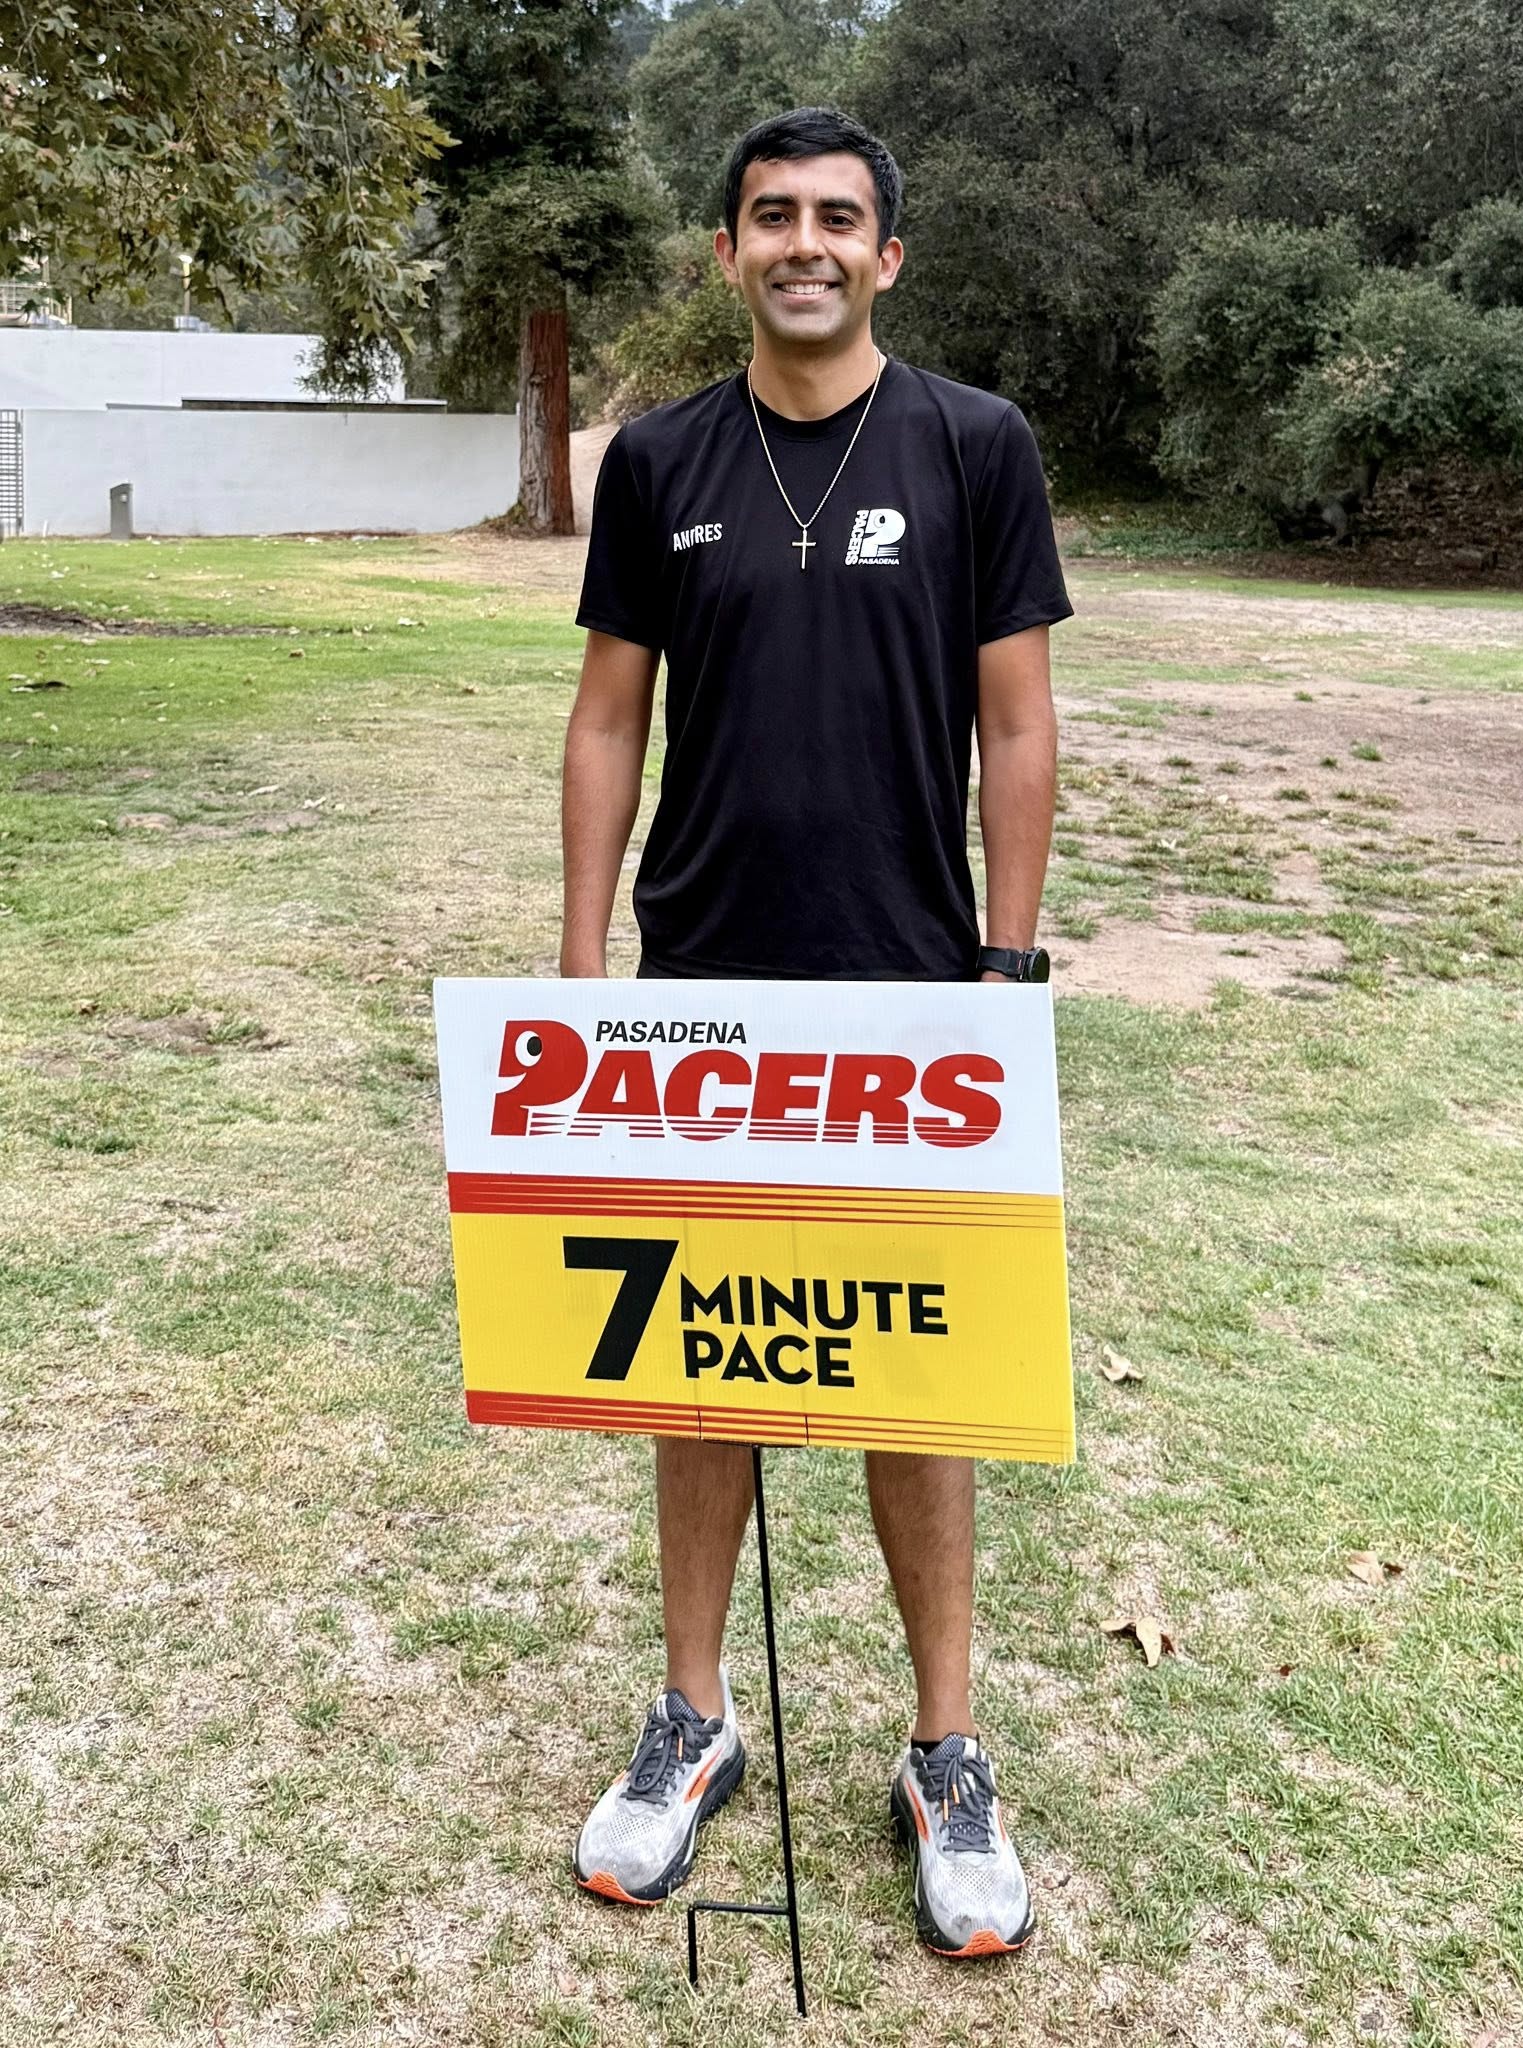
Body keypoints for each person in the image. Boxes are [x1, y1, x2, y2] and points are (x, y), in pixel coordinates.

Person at [559, 105, 1072, 1959]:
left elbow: (1018, 723)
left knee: (911, 1377)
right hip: (701, 988)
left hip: (912, 994)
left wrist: (1004, 970)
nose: (804, 243)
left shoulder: (974, 445)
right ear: (726, 252)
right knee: (704, 1365)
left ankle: (946, 1751)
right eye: (770, 215)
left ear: (886, 255)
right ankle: (695, 1722)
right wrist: (582, 968)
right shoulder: (657, 460)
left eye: (837, 218)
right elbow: (607, 716)